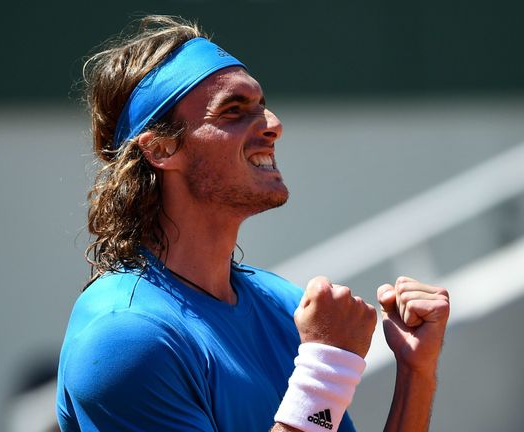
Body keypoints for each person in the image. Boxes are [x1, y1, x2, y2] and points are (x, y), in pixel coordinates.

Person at [56, 15, 450, 432]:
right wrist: (326, 368)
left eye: (261, 105)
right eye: (234, 111)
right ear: (162, 148)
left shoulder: (285, 305)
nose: (273, 125)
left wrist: (416, 374)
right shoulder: (125, 339)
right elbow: (319, 396)